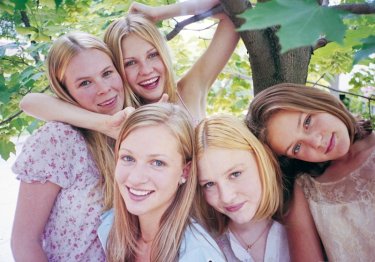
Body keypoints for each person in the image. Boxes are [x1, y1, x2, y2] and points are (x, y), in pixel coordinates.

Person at [20, 0, 239, 136]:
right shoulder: (118, 115)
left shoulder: (189, 90)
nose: (146, 70)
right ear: (115, 69)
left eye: (152, 55)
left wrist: (159, 13)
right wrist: (104, 123)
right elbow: (30, 102)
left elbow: (237, 13)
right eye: (130, 63)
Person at [11, 32, 125, 261]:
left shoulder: (136, 132)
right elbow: (24, 242)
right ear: (66, 92)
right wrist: (103, 124)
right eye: (85, 83)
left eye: (107, 73)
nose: (103, 88)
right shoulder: (59, 140)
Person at [246, 83, 374, 261]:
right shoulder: (305, 190)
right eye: (297, 147)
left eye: (307, 122)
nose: (316, 141)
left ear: (318, 101)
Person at [98, 103, 226, 262]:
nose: (136, 178)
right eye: (128, 158)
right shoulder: (109, 226)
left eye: (157, 163)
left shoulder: (198, 254)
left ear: (184, 171)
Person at [194, 114, 290, 262]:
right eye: (209, 184)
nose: (226, 197)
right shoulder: (203, 246)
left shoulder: (301, 228)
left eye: (235, 174)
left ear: (260, 159)